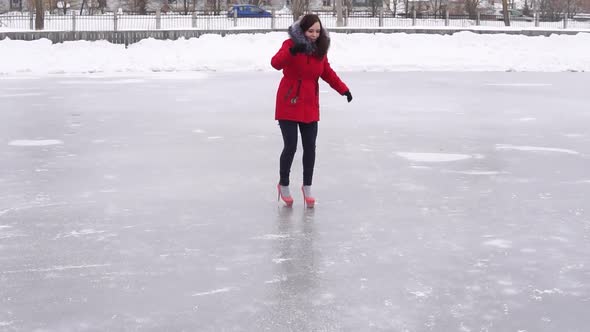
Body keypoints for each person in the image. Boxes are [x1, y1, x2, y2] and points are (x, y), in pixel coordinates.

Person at [271, 14, 352, 208]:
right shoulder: (289, 44)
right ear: (302, 30)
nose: (314, 35)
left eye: (318, 31)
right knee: (290, 146)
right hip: (289, 101)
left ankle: (307, 187)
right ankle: (284, 184)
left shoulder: (319, 50)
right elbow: (275, 63)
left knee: (310, 148)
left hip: (309, 104)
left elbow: (327, 73)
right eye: (310, 31)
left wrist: (344, 89)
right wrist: (292, 50)